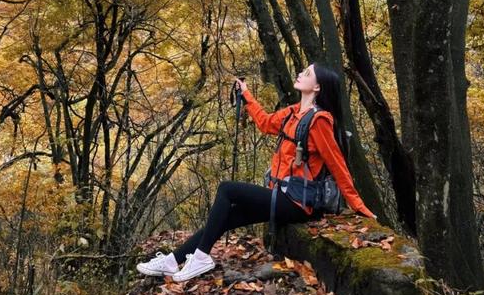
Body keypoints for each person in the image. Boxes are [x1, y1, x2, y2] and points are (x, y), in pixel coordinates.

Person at [136, 63, 377, 283]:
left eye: (306, 73)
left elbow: (337, 164)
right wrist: (246, 94)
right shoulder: (293, 112)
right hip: (280, 194)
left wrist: (358, 205)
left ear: (316, 87)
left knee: (227, 189)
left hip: (297, 204)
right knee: (227, 217)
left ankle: (200, 258)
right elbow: (265, 122)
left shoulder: (320, 121)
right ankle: (173, 260)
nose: (300, 73)